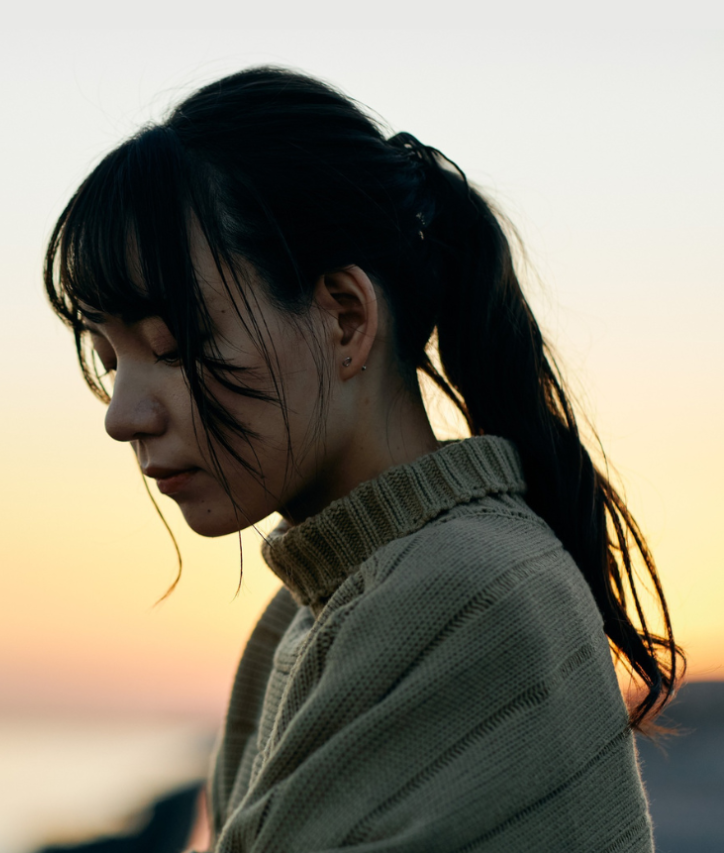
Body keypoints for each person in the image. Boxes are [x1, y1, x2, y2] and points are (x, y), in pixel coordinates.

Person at [41, 67, 680, 852]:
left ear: (344, 318)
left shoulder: (468, 595)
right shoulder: (300, 620)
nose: (121, 414)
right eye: (111, 360)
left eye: (172, 346)